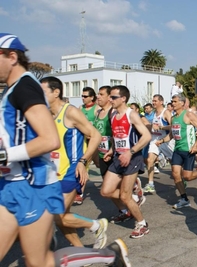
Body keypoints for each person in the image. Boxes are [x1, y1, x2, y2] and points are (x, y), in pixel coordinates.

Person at [0, 33, 130, 267]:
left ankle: (105, 250)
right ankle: (103, 250)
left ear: (11, 57)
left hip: (38, 183)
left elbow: (53, 139)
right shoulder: (13, 93)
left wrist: (82, 160)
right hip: (14, 182)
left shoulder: (27, 89)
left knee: (44, 251)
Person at [41, 76, 109, 250]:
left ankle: (96, 225)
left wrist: (83, 161)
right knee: (61, 218)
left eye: (43, 91)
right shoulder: (44, 113)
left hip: (72, 170)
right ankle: (81, 252)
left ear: (56, 92)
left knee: (57, 214)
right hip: (51, 173)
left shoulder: (70, 112)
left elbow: (95, 135)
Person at [101, 85, 152, 239]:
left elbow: (146, 136)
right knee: (106, 191)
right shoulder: (112, 114)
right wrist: (112, 150)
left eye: (113, 97)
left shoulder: (132, 115)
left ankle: (142, 224)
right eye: (109, 96)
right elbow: (116, 136)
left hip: (132, 158)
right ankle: (135, 198)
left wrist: (130, 153)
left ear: (123, 98)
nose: (110, 99)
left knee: (124, 196)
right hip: (118, 157)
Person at [155, 94, 197, 209]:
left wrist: (196, 145)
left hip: (189, 150)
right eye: (172, 101)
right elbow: (171, 135)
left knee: (187, 177)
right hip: (177, 150)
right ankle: (184, 199)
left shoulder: (188, 115)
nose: (172, 104)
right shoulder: (174, 118)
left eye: (175, 102)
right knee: (175, 175)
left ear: (182, 103)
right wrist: (161, 141)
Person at [143, 94, 172, 193]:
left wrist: (160, 127)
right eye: (153, 101)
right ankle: (151, 184)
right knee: (149, 160)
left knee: (175, 163)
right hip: (155, 139)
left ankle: (181, 179)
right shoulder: (154, 113)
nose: (153, 102)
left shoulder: (166, 112)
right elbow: (153, 126)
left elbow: (173, 126)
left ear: (161, 102)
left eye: (155, 101)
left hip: (166, 140)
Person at [76, 87, 100, 205]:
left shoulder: (97, 109)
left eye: (85, 96)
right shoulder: (80, 108)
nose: (83, 98)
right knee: (96, 164)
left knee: (86, 163)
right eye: (82, 96)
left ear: (92, 97)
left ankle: (79, 193)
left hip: (93, 140)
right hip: (83, 140)